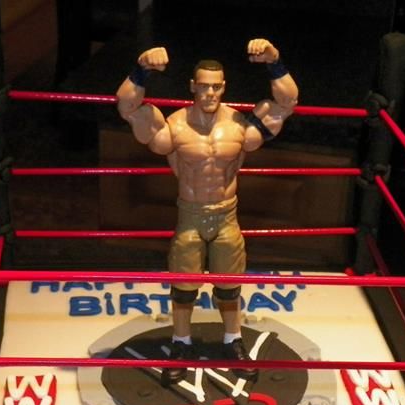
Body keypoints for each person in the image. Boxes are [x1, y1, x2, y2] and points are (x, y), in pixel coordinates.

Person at [116, 39, 299, 383]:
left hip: (227, 214)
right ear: (193, 87)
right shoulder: (175, 127)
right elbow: (127, 106)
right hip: (190, 214)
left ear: (223, 87)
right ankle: (181, 343)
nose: (210, 93)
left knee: (230, 287)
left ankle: (232, 340)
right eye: (203, 86)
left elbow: (287, 102)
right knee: (183, 287)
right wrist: (141, 68)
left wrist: (274, 61)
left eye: (216, 87)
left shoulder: (240, 126)